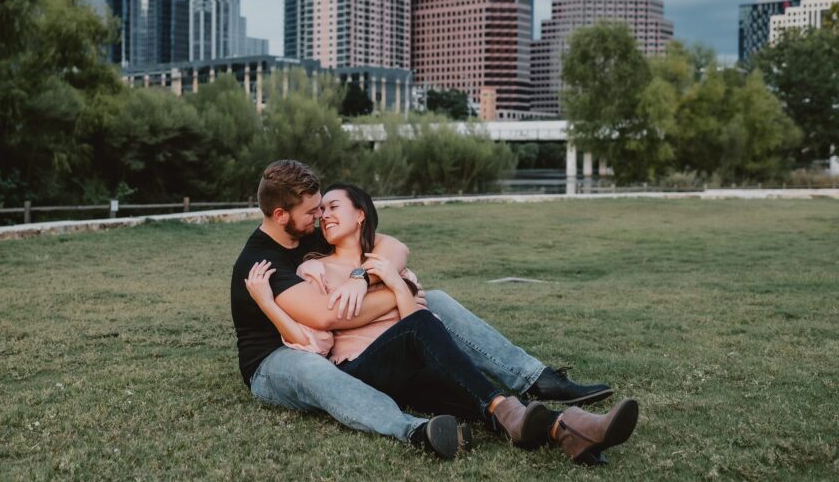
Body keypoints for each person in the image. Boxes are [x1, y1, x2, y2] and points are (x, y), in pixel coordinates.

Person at [229, 159, 627, 460]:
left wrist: (362, 277)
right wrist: (402, 290)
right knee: (414, 324)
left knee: (445, 350)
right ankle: (417, 430)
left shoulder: (313, 231)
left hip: (383, 349)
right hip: (277, 358)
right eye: (313, 212)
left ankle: (564, 424)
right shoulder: (267, 264)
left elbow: (391, 245)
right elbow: (327, 320)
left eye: (325, 208)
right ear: (281, 216)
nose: (320, 217)